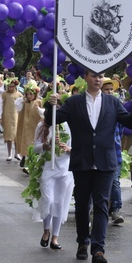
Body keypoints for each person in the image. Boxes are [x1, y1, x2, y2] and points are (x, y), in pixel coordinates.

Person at [45, 70, 132, 263]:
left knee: (101, 205)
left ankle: (98, 248)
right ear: (86, 78)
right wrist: (51, 104)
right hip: (82, 160)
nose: (98, 79)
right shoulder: (74, 103)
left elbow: (130, 122)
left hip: (105, 162)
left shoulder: (113, 102)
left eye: (101, 76)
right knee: (82, 205)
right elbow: (52, 120)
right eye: (94, 76)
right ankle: (83, 241)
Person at [32, 97, 74, 250]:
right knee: (48, 200)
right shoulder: (41, 126)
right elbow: (35, 147)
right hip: (48, 167)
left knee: (59, 202)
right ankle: (46, 230)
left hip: (64, 168)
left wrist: (67, 149)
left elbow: (73, 147)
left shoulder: (67, 126)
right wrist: (46, 145)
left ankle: (55, 237)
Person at [101, 78, 125, 224]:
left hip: (114, 151)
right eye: (106, 89)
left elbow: (121, 129)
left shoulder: (118, 106)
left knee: (115, 181)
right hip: (99, 151)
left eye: (111, 89)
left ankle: (116, 209)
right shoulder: (97, 106)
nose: (110, 92)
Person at [15, 81, 43, 171]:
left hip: (35, 127)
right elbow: (17, 105)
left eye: (31, 94)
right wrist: (23, 98)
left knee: (33, 144)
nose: (29, 96)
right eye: (27, 94)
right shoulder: (24, 102)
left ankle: (31, 163)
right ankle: (26, 161)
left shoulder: (38, 102)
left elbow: (42, 113)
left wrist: (38, 109)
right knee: (27, 143)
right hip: (26, 127)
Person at [0, 78, 20, 161]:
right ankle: (9, 154)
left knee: (17, 136)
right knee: (9, 136)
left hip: (17, 117)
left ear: (15, 86)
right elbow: (0, 105)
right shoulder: (4, 94)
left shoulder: (19, 95)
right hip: (7, 117)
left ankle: (17, 153)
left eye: (12, 86)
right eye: (9, 86)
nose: (11, 88)